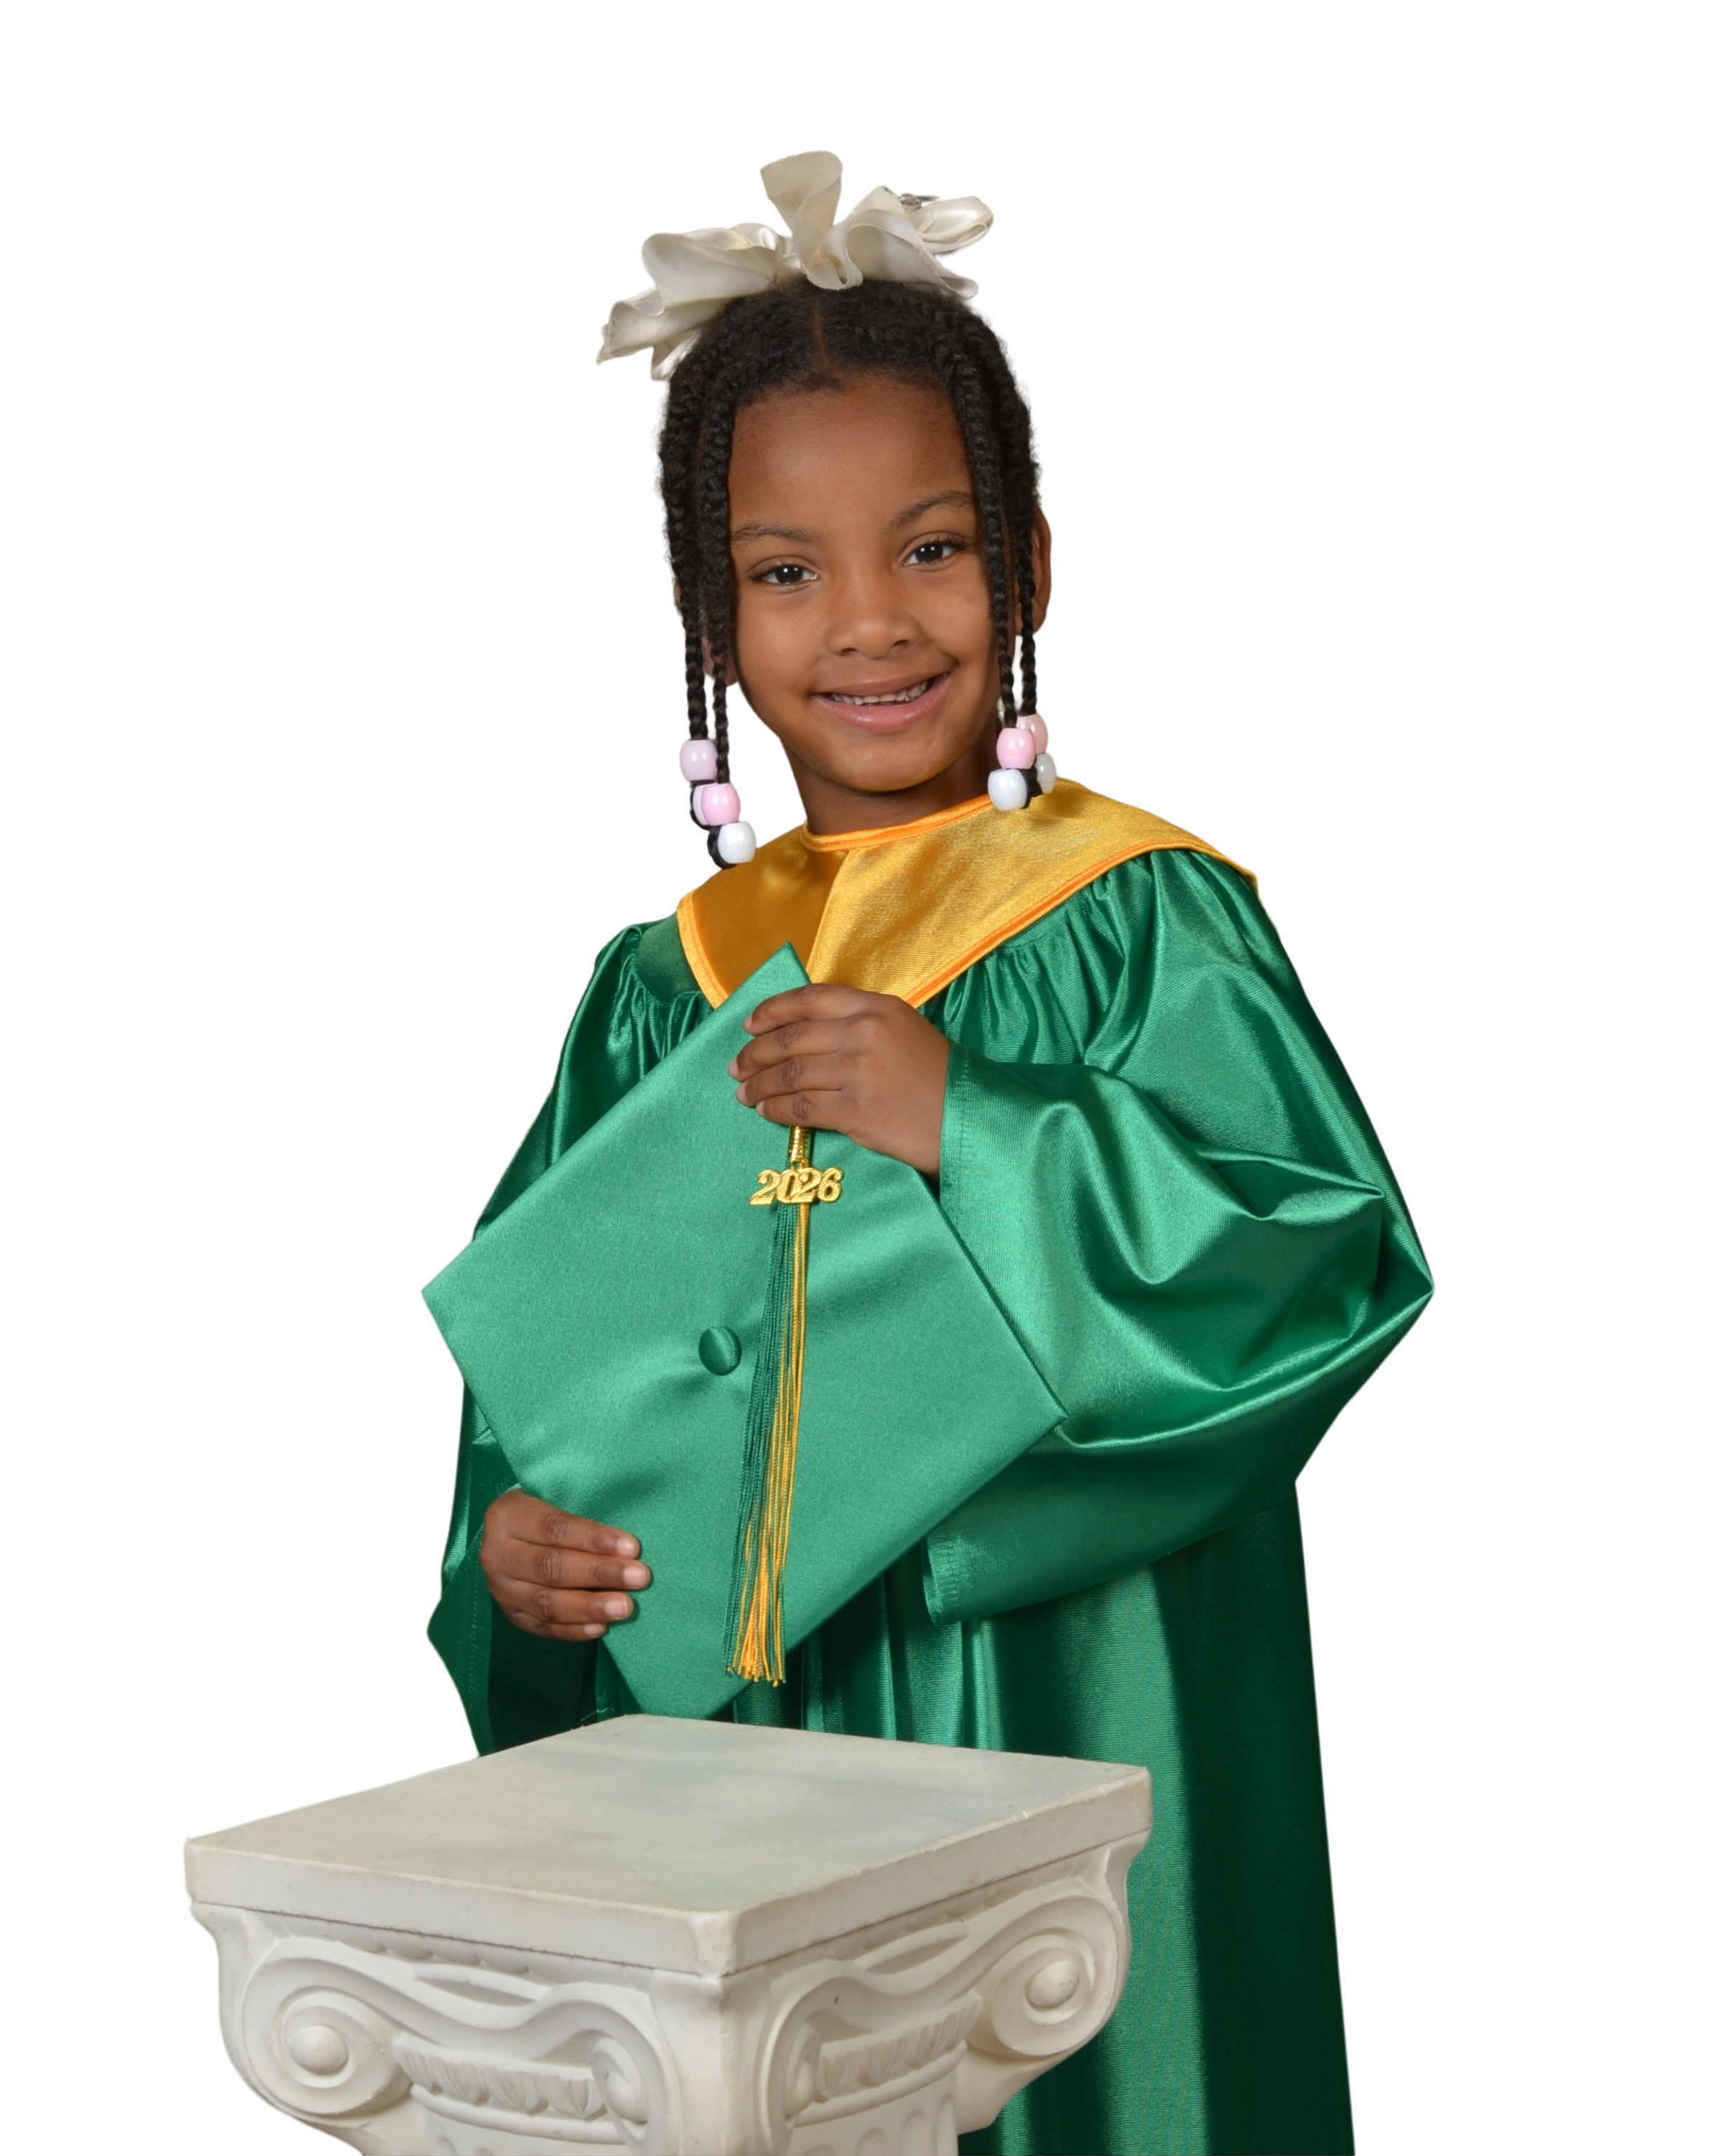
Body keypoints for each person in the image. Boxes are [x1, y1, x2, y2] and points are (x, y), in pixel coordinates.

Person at [424, 152, 1435, 2156]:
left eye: (935, 548)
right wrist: (516, 1560)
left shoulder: (1143, 915)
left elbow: (1319, 1260)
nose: (870, 623)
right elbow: (553, 1378)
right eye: (786, 572)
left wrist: (970, 1118)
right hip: (749, 1760)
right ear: (706, 614)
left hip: (1076, 1693)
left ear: (1037, 569)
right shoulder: (663, 984)